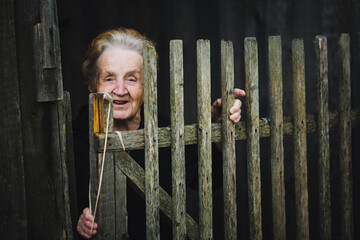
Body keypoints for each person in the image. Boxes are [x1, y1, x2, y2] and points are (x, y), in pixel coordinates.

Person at [74, 27, 246, 239]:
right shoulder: (73, 139)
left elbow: (210, 178)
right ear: (92, 85)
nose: (119, 90)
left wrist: (217, 130)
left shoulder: (165, 132)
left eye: (131, 79)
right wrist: (77, 221)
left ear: (147, 86)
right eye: (109, 78)